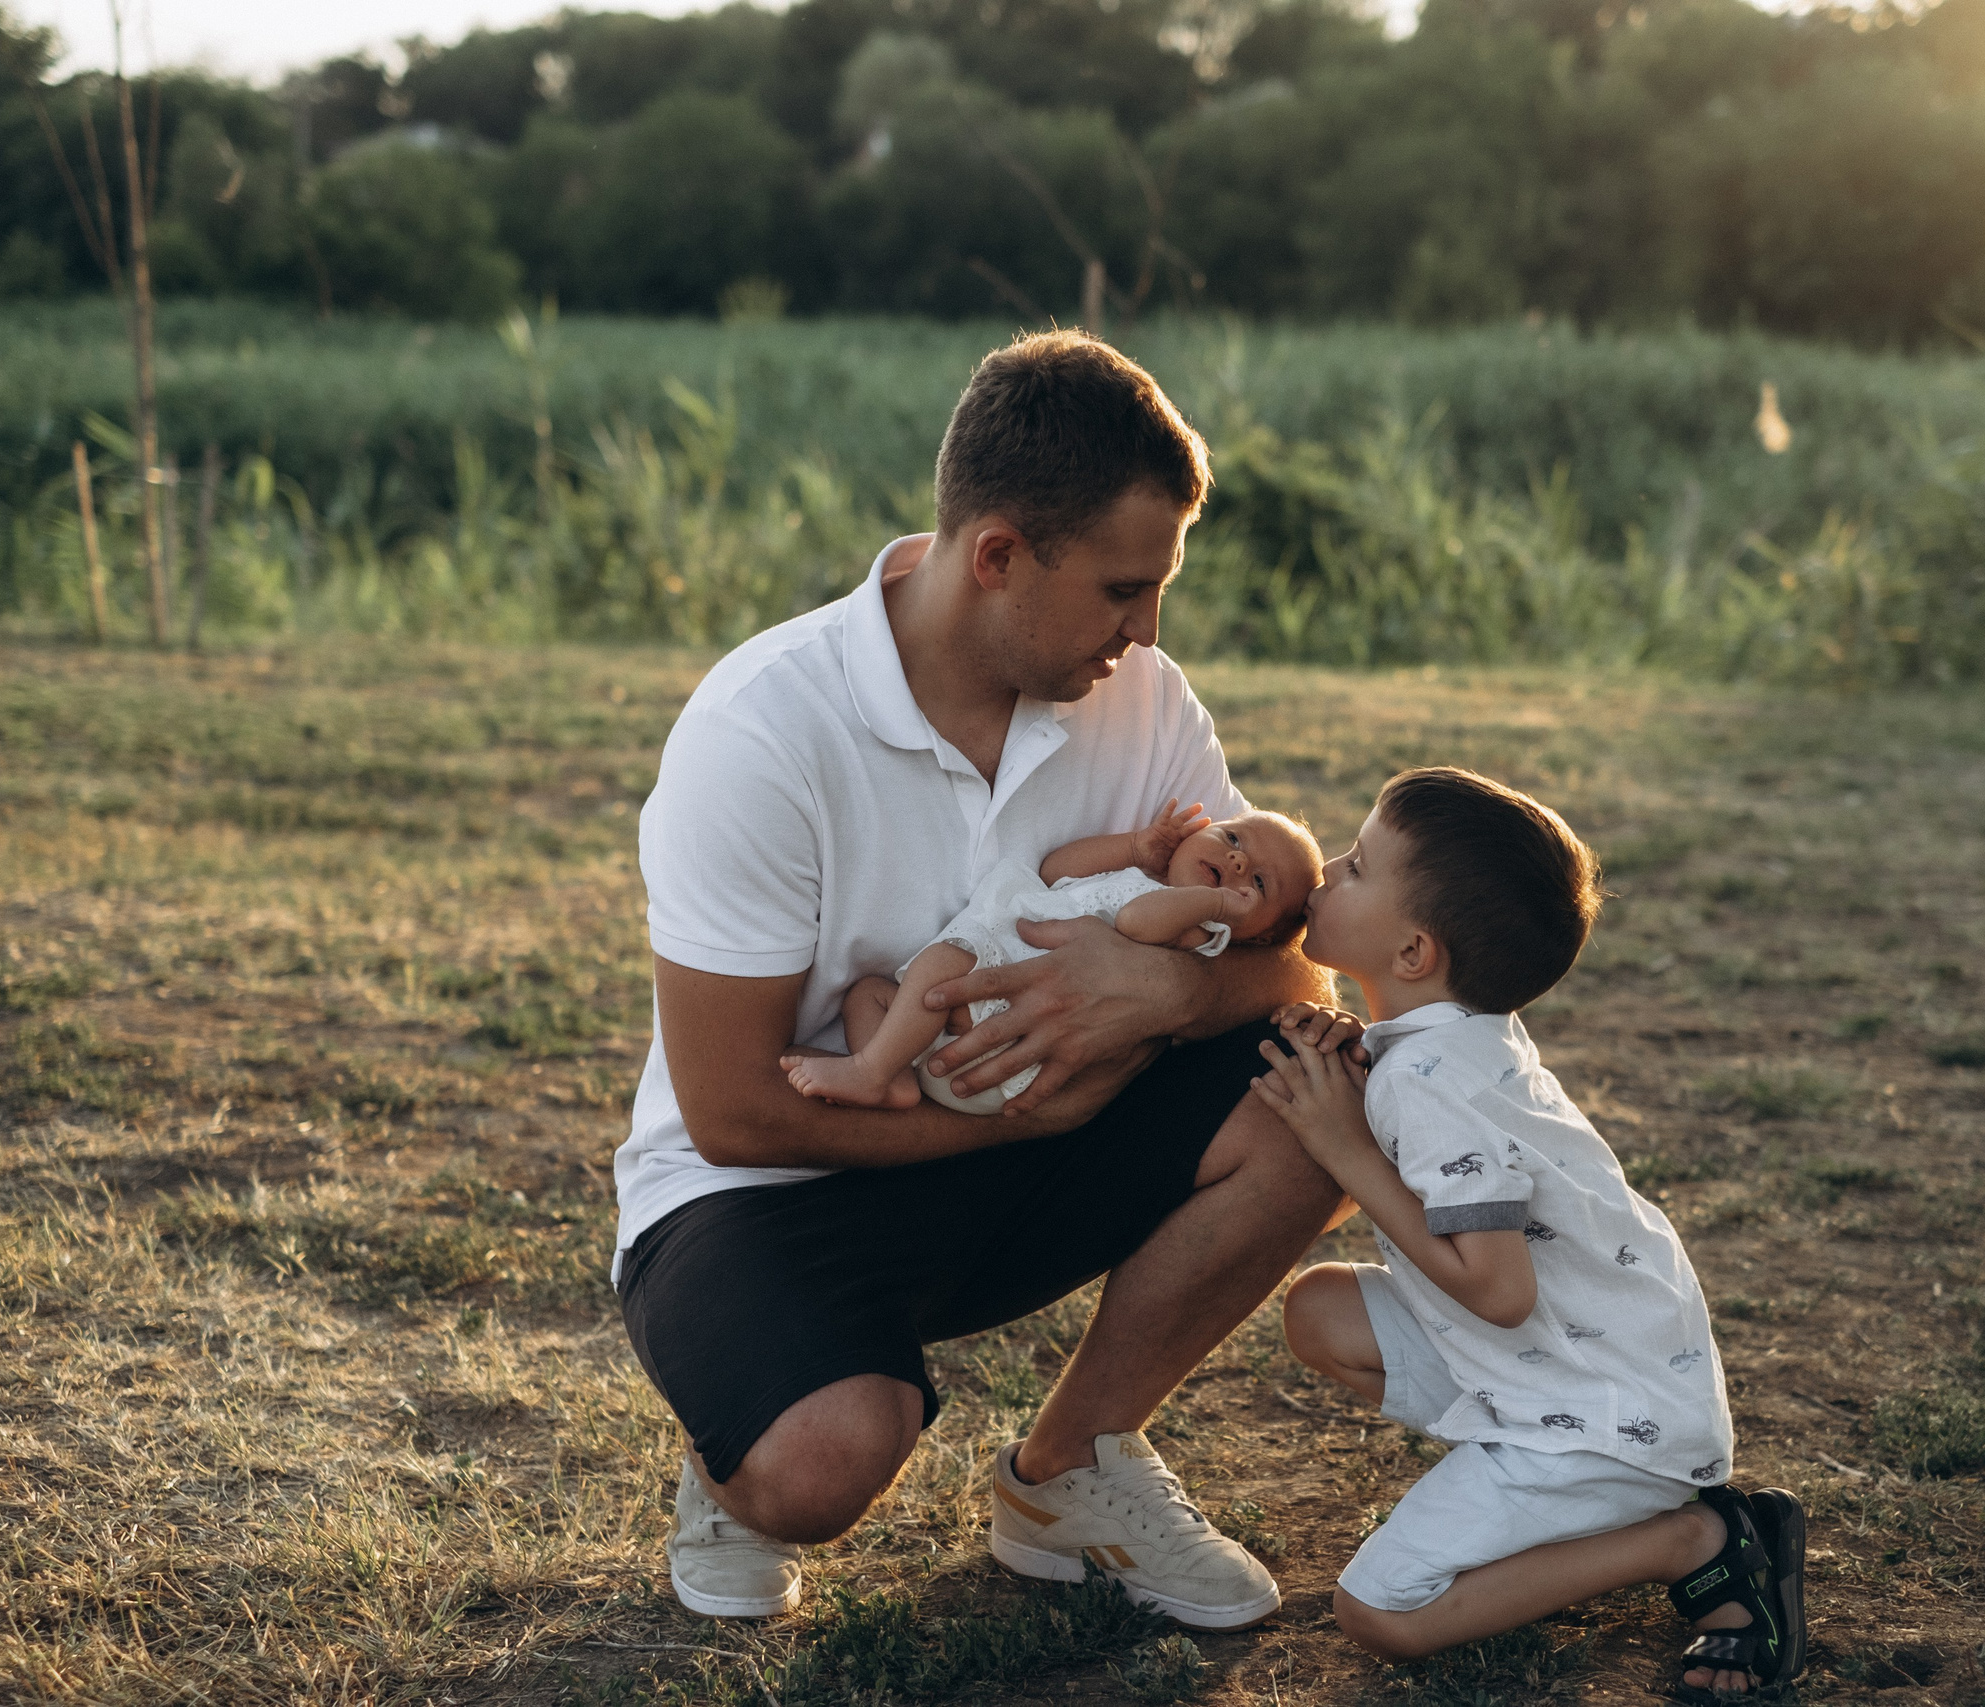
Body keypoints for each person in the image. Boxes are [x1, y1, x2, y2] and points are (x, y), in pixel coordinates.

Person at [612, 330, 1346, 1631]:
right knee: (819, 1463)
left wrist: (1171, 994)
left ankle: (1072, 1468)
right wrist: (1027, 1113)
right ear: (998, 554)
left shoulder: (1147, 704)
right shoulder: (762, 730)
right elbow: (730, 1108)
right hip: (765, 1189)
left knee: (1326, 1077)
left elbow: (1302, 967)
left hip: (1013, 1144)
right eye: (1125, 588)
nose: (1149, 629)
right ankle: (736, 1461)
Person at [1251, 767, 1807, 1698]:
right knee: (1320, 1312)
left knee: (1381, 1613)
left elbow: (1499, 1290)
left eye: (1353, 866)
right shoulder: (1447, 1036)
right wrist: (1354, 1067)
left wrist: (1346, 1147)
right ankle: (1558, 1506)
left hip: (1600, 1422)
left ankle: (1690, 1538)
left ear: (1416, 949)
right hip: (1588, 1367)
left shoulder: (1428, 1082)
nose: (1326, 873)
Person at [782, 800, 1323, 1112]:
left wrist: (1214, 901)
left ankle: (871, 1069)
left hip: (1012, 1036)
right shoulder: (1143, 875)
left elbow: (1136, 922)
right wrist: (1136, 848)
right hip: (974, 1023)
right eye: (1233, 836)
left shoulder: (1204, 930)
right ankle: (896, 1079)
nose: (1233, 860)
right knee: (869, 995)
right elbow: (1055, 869)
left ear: (1256, 938)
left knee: (940, 966)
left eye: (1255, 881)